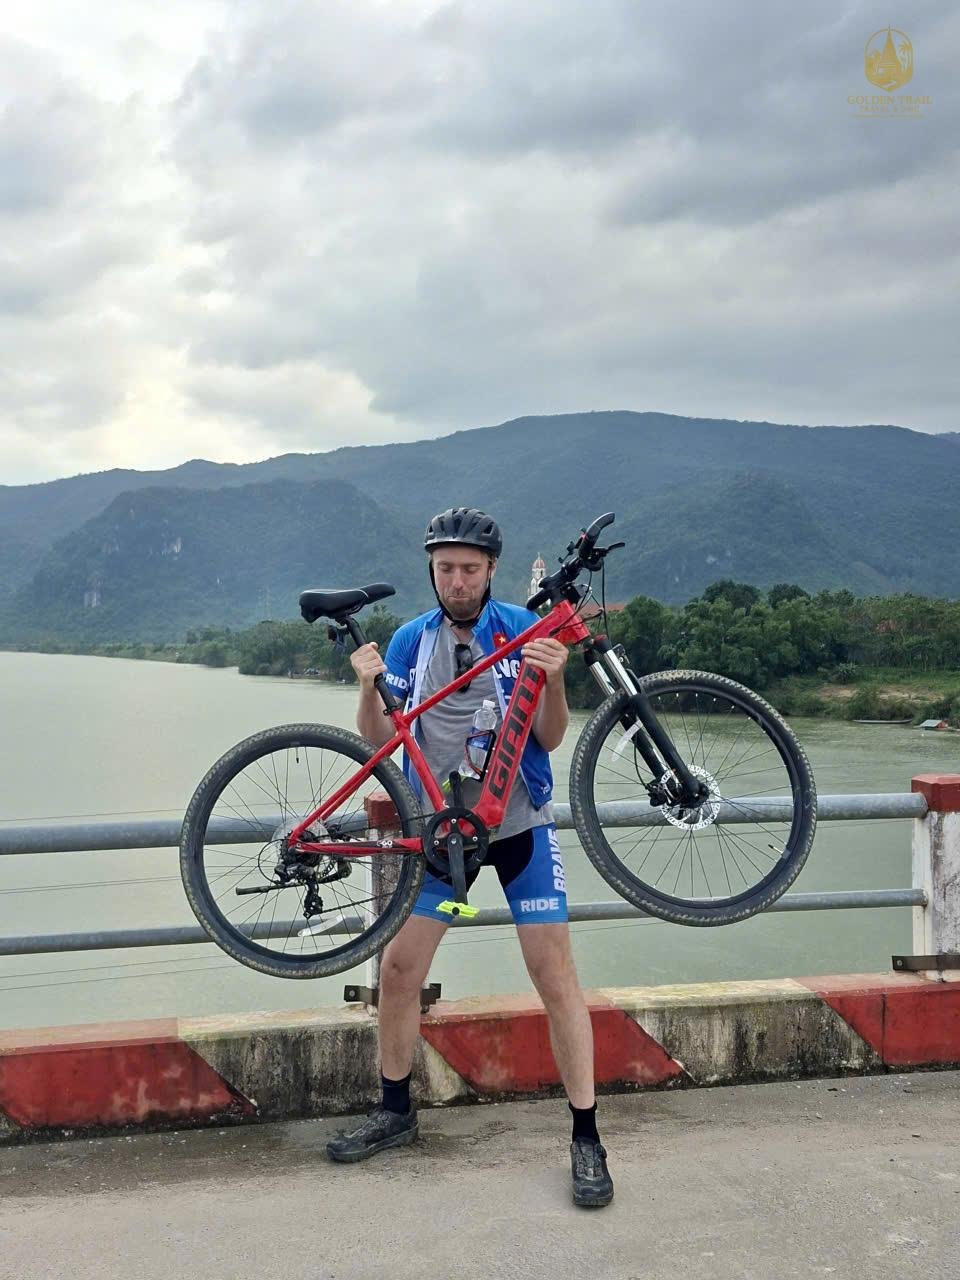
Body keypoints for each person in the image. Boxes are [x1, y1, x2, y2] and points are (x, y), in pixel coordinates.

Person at [326, 507, 614, 1208]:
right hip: (445, 836)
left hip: (518, 827)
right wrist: (366, 686)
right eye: (446, 568)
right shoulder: (410, 641)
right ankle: (395, 1111)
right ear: (432, 572)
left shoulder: (521, 628)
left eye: (470, 569)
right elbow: (380, 739)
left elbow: (550, 738)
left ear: (491, 572)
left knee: (554, 974)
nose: (458, 580)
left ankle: (587, 1137)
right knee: (400, 969)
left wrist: (554, 681)